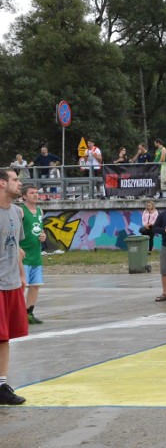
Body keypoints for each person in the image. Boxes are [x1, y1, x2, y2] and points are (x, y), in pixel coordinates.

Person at [0, 169, 27, 405]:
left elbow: (16, 246)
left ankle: (1, 385)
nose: (19, 184)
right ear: (2, 183)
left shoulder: (17, 212)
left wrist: (21, 273)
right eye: (15, 180)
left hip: (11, 283)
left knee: (4, 337)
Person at [20, 186, 46, 324]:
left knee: (35, 285)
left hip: (36, 254)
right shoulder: (21, 211)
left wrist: (43, 236)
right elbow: (13, 231)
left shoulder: (40, 211)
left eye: (37, 193)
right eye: (32, 193)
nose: (36, 195)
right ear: (24, 196)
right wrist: (17, 247)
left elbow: (38, 229)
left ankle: (29, 313)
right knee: (21, 286)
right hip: (24, 256)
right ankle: (17, 315)